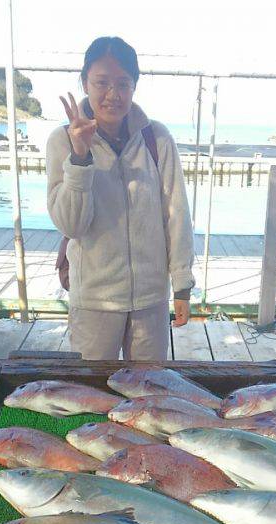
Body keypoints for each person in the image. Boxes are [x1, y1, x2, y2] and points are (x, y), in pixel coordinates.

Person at [46, 36, 195, 360]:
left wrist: (181, 285)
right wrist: (81, 156)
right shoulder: (61, 141)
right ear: (85, 82)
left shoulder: (156, 138)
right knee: (91, 395)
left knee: (151, 398)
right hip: (94, 302)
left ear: (134, 87)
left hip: (151, 302)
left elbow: (177, 212)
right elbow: (71, 223)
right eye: (102, 82)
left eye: (123, 84)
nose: (112, 94)